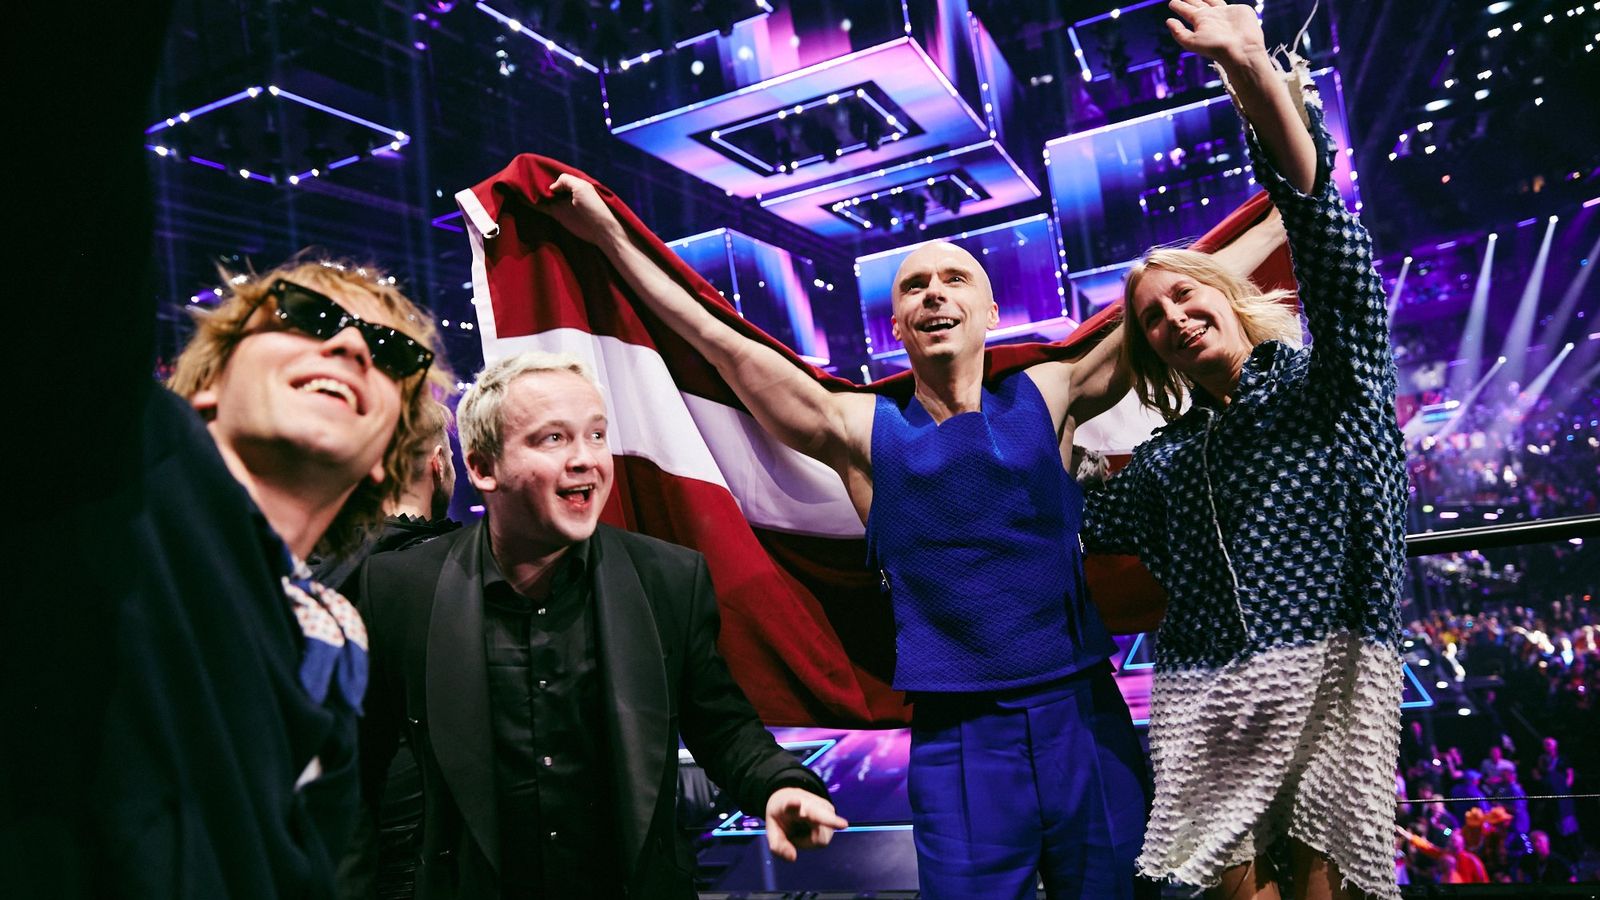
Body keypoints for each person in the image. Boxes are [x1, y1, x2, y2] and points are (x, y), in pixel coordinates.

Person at [536, 128, 1266, 897]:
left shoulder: (1051, 391)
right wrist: (607, 236)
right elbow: (717, 343)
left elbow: (1189, 296)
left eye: (955, 280)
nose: (934, 293)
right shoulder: (859, 429)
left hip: (1083, 716)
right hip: (960, 742)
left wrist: (1291, 179)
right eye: (914, 287)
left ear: (990, 311)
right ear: (897, 328)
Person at [1080, 1, 1408, 898]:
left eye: (1186, 297)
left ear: (1229, 296)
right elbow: (1063, 514)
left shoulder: (1329, 386)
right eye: (1154, 319)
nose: (1175, 318)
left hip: (1334, 675)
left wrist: (1252, 71)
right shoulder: (1165, 461)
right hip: (1206, 697)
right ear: (1151, 352)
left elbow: (1325, 235)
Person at [11, 253, 447, 899]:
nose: (353, 347)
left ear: (385, 454)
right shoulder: (108, 481)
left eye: (391, 353)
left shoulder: (335, 636)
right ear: (209, 383)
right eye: (306, 315)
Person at [350, 351, 845, 899]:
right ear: (483, 468)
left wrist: (780, 785)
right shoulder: (400, 590)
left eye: (596, 435)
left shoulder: (668, 580)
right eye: (553, 439)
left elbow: (723, 727)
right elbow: (360, 773)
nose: (586, 459)